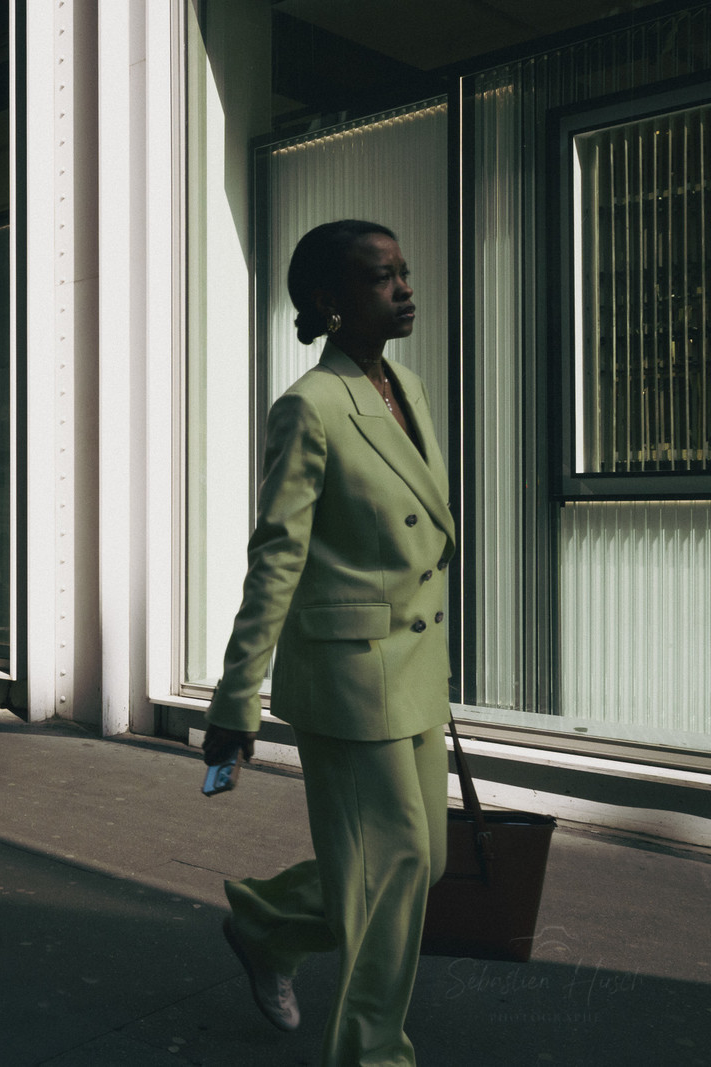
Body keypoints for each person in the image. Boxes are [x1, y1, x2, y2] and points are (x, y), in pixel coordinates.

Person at [202, 220, 454, 1066]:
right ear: (331, 304)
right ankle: (374, 1054)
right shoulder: (308, 407)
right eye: (383, 278)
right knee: (392, 872)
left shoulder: (406, 390)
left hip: (416, 667)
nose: (405, 288)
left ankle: (268, 927)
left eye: (404, 272)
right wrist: (238, 699)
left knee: (424, 863)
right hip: (349, 678)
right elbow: (277, 557)